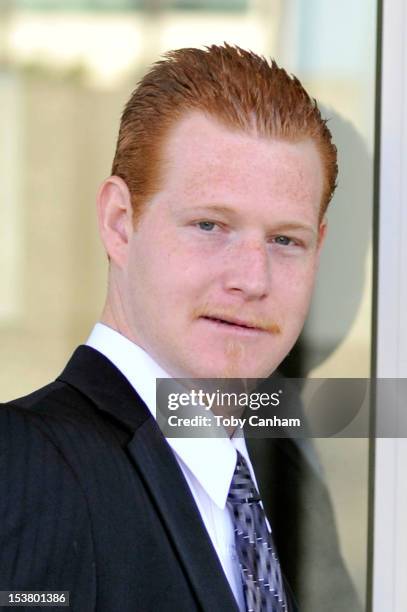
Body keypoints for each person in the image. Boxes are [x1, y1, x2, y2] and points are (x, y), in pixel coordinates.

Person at [0, 45, 360, 611]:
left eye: (285, 240)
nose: (252, 278)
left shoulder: (271, 491)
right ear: (120, 224)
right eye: (210, 225)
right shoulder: (22, 464)